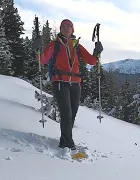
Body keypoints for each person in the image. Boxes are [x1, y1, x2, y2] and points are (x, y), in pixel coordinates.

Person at [40, 19, 103, 150]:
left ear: (72, 29)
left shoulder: (77, 46)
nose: (65, 28)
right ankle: (69, 144)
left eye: (68, 26)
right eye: (63, 26)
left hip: (75, 84)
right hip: (60, 82)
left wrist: (97, 51)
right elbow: (42, 59)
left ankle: (64, 140)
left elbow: (91, 61)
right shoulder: (54, 45)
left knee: (72, 114)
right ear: (60, 29)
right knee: (66, 113)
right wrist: (37, 48)